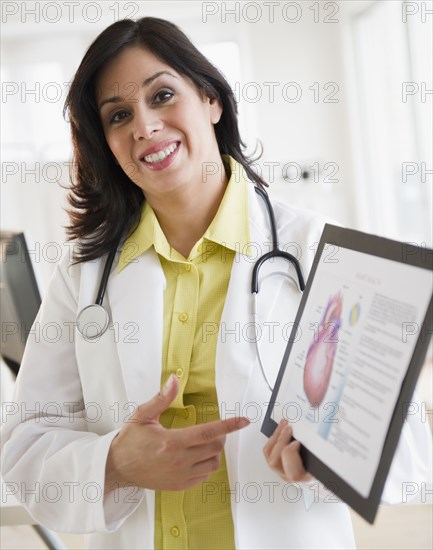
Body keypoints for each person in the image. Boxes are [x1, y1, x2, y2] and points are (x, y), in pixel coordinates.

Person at [1, 16, 431, 550]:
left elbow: (411, 444)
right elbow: (24, 450)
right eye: (119, 115)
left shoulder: (320, 251)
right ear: (107, 142)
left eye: (162, 95)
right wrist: (116, 461)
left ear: (210, 100)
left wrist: (331, 454)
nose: (145, 126)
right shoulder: (85, 275)